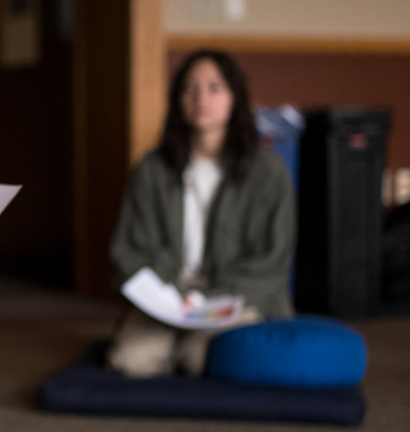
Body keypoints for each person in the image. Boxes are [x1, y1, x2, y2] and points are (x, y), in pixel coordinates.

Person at [106, 49, 296, 379]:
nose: (201, 98)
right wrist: (171, 296)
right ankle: (173, 340)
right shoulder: (152, 168)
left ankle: (186, 344)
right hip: (170, 291)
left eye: (214, 88)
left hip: (233, 294)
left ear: (234, 97)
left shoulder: (267, 170)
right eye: (190, 88)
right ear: (178, 99)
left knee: (203, 359)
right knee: (132, 361)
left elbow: (272, 258)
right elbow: (130, 248)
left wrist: (209, 299)